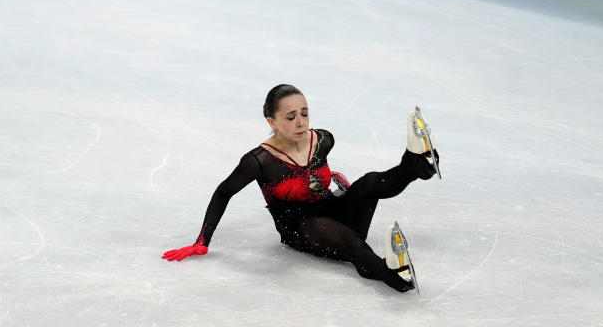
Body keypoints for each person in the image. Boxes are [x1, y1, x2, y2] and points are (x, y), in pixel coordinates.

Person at [162, 84, 439, 292]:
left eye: (304, 114)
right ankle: (393, 275)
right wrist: (202, 241)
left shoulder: (323, 140)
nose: (301, 122)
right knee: (351, 242)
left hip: (334, 210)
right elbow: (224, 192)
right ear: (272, 122)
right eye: (291, 117)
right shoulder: (259, 161)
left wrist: (342, 187)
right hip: (302, 229)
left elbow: (333, 183)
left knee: (367, 183)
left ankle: (414, 163)